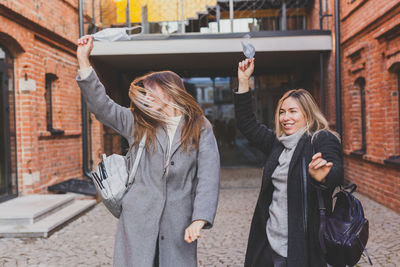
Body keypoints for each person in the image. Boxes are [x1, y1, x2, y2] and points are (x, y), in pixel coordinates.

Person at [76, 35, 220, 267]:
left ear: (171, 92)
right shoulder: (138, 123)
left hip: (178, 224)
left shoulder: (199, 126)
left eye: (152, 91)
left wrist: (199, 219)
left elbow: (209, 175)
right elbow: (102, 107)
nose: (146, 96)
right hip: (137, 220)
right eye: (145, 91)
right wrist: (84, 60)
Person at [234, 58, 343, 267]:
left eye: (293, 111)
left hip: (303, 243)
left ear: (307, 114)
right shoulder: (277, 143)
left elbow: (336, 171)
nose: (286, 117)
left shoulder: (320, 139)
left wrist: (324, 177)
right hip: (271, 239)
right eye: (282, 112)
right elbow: (247, 124)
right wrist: (244, 82)